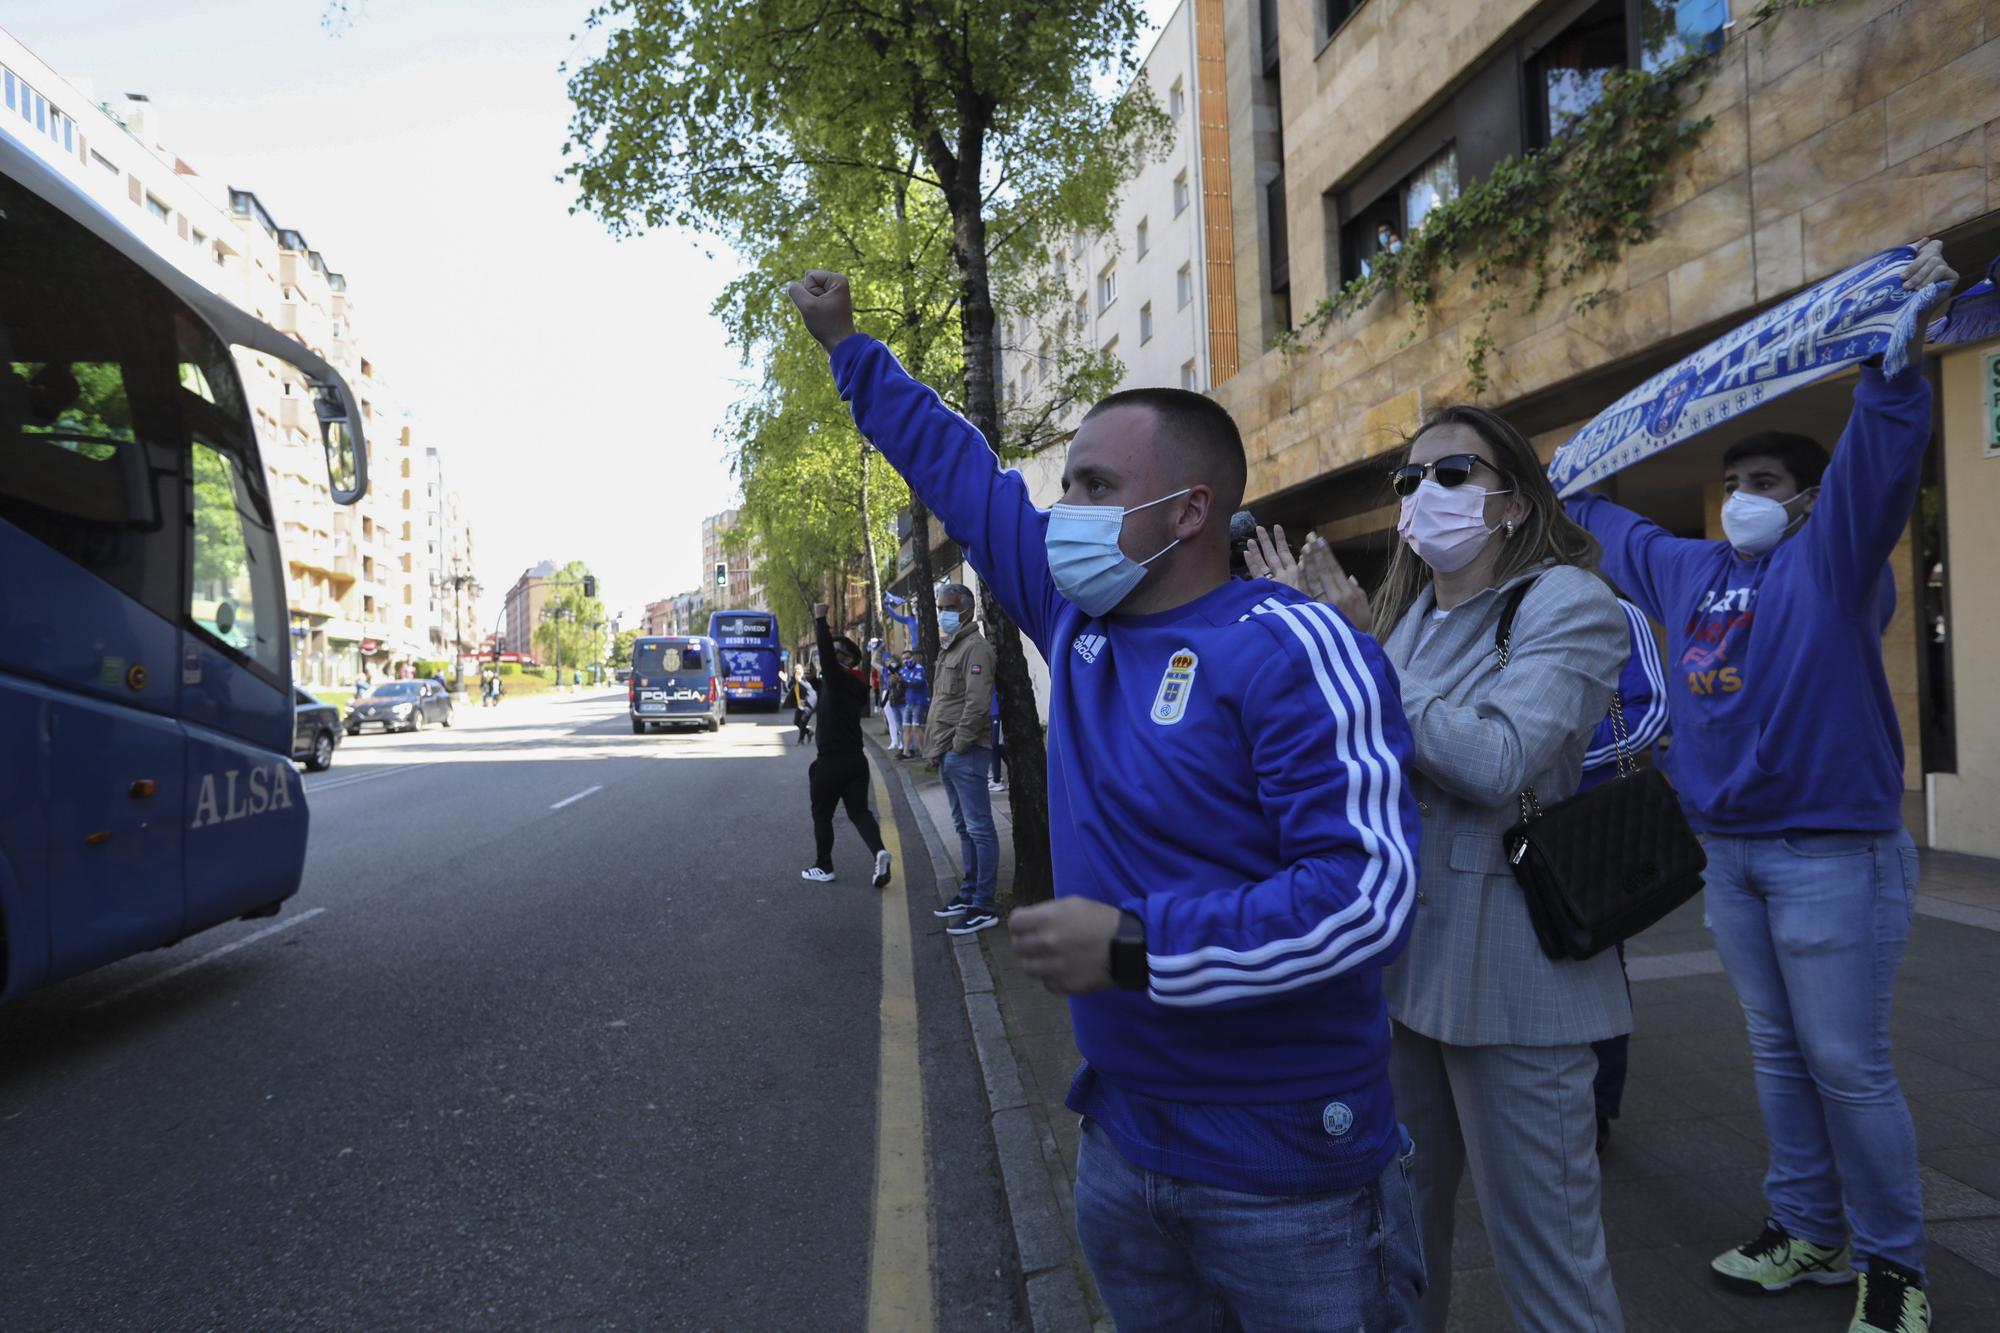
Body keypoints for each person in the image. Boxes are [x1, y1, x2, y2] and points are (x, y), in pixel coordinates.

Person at [791, 269, 1425, 1329]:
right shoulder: (1078, 620)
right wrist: (847, 347)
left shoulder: (1289, 648)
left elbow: (1367, 899)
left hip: (1287, 1172)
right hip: (1122, 1143)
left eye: (1089, 486)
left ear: (1186, 511)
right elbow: (962, 474)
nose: (1062, 511)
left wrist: (1134, 946)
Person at [1566, 238, 1957, 1333]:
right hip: (1728, 856)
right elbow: (1598, 515)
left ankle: (1893, 1264)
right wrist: (1573, 461)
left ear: (1804, 499)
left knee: (1845, 1063)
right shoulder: (1688, 571)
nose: (1742, 498)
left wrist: (1889, 364)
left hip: (1830, 854)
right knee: (1778, 1054)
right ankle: (1806, 1231)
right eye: (1730, 483)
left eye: (1765, 485)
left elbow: (1880, 461)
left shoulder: (1831, 563)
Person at [1272, 405, 1629, 1333]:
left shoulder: (1568, 602)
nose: (1424, 494)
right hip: (1401, 967)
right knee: (1398, 1241)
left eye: (1453, 473)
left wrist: (1362, 658)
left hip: (1516, 974)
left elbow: (1497, 760)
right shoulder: (1406, 615)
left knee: (1550, 1266)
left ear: (1512, 498)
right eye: (1410, 479)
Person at [1581, 599, 1670, 1155]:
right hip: (1519, 820)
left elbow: (1652, 710)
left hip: (1600, 823)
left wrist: (1557, 758)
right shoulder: (1493, 616)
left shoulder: (1612, 610)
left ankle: (1595, 1106)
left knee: (1599, 964)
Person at [924, 582, 1001, 935]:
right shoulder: (952, 647)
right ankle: (969, 893)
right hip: (949, 754)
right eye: (940, 607)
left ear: (967, 611)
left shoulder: (976, 648)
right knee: (963, 828)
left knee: (980, 829)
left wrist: (958, 745)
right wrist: (937, 750)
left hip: (966, 753)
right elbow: (943, 703)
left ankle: (985, 905)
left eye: (948, 608)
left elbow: (976, 703)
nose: (942, 614)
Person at [800, 604, 893, 888]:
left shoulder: (838, 677)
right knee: (859, 812)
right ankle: (879, 854)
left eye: (838, 654)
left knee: (822, 815)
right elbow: (829, 691)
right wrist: (813, 680)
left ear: (848, 660)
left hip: (830, 762)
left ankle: (823, 866)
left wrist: (820, 620)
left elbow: (829, 664)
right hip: (856, 761)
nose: (830, 657)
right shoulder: (853, 683)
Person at [898, 648, 928, 759]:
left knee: (916, 727)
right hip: (908, 701)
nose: (905, 661)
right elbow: (901, 685)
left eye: (907, 658)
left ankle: (924, 752)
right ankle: (906, 752)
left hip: (919, 701)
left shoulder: (919, 669)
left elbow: (917, 683)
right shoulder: (903, 670)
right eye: (903, 659)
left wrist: (902, 681)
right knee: (906, 727)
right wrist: (895, 682)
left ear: (912, 657)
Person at [883, 660, 907, 755]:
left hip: (902, 703)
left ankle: (907, 746)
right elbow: (889, 690)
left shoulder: (902, 673)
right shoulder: (891, 676)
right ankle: (901, 745)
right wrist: (882, 704)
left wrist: (898, 679)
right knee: (899, 726)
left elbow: (904, 685)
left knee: (905, 725)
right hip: (893, 703)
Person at [987, 684, 1007, 795]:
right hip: (992, 711)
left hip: (997, 712)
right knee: (995, 746)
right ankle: (996, 778)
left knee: (996, 745)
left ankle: (997, 779)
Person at [789, 666, 816, 746]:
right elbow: (789, 688)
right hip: (800, 706)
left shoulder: (805, 680)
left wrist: (800, 680)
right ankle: (809, 732)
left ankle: (800, 740)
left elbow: (809, 687)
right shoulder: (794, 681)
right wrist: (784, 681)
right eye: (796, 671)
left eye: (799, 671)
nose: (797, 673)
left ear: (802, 672)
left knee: (803, 722)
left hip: (808, 705)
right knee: (796, 722)